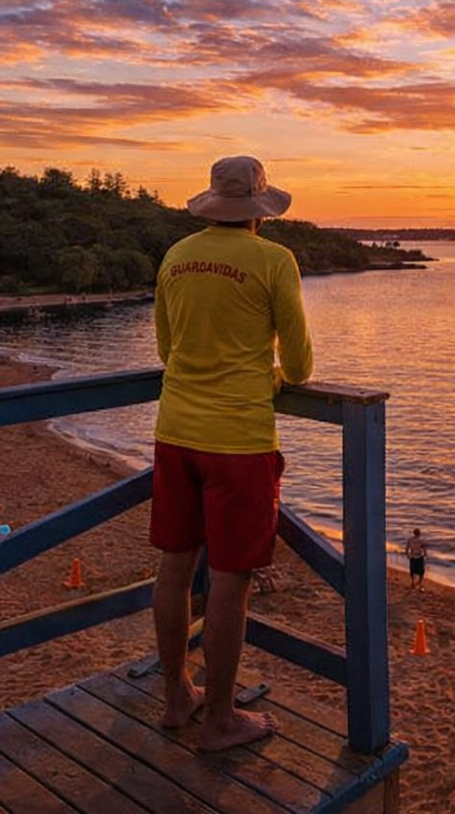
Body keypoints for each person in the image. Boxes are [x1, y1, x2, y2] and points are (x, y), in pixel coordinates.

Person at [151, 156, 312, 752]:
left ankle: (176, 699)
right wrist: (268, 373)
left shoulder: (176, 255)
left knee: (172, 567)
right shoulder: (274, 260)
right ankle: (220, 718)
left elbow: (169, 349)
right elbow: (299, 365)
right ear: (260, 213)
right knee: (229, 580)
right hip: (239, 442)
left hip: (175, 431)